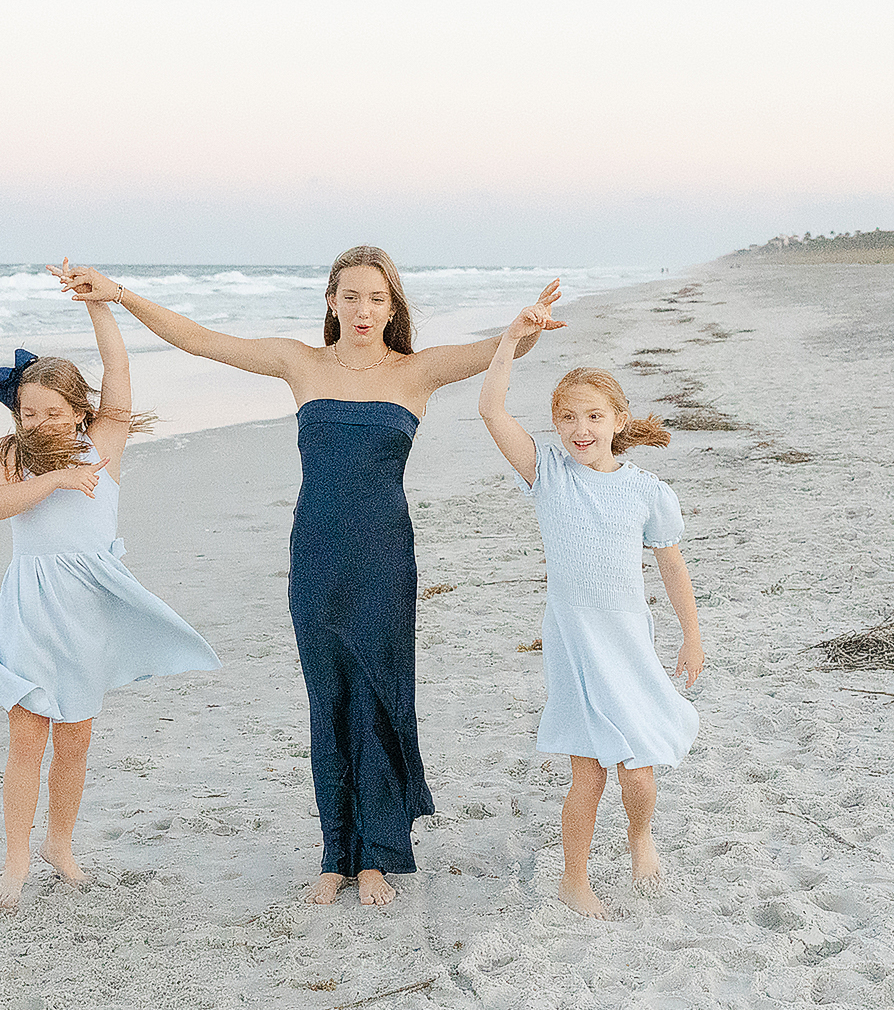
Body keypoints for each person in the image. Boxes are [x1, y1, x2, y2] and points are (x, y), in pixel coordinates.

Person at [54, 249, 559, 907]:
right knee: (328, 700)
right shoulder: (302, 363)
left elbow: (497, 351)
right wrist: (117, 294)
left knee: (378, 697)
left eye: (377, 298)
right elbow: (201, 340)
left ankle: (376, 856)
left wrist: (523, 326)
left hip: (384, 556)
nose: (363, 310)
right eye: (351, 296)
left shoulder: (416, 371)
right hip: (315, 555)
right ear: (331, 300)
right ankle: (335, 853)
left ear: (392, 306)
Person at [0, 270, 220, 911]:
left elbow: (117, 372)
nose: (37, 422)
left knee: (76, 737)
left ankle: (60, 843)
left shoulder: (102, 444)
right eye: (27, 412)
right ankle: (16, 858)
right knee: (26, 734)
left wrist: (100, 307)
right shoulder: (13, 454)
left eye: (51, 412)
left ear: (78, 413)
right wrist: (54, 482)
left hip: (85, 608)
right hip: (30, 607)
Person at [477, 311, 704, 921]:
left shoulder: (647, 491)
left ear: (618, 422)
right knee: (588, 775)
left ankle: (639, 837)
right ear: (555, 423)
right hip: (574, 640)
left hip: (627, 638)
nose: (581, 428)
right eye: (569, 417)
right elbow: (492, 411)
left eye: (594, 416)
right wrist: (510, 340)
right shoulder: (547, 473)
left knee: (638, 774)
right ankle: (573, 880)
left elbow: (672, 568)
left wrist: (691, 636)